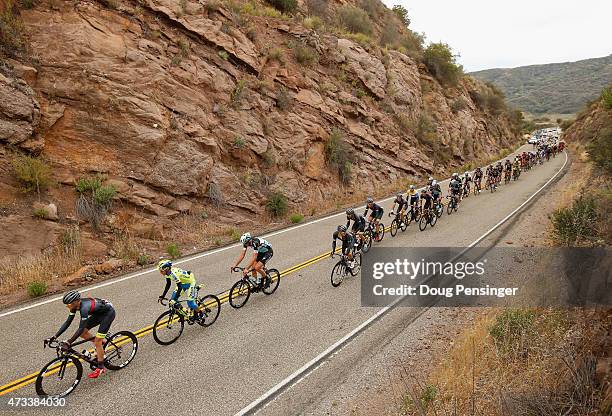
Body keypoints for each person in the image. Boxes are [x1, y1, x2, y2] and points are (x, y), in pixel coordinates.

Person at [49, 291, 116, 379]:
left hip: (108, 314)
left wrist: (69, 342)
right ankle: (103, 342)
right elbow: (68, 322)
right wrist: (55, 336)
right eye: (67, 305)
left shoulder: (84, 308)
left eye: (69, 304)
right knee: (84, 333)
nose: (69, 307)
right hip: (98, 313)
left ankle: (100, 367)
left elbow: (80, 328)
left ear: (77, 301)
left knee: (97, 342)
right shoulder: (75, 306)